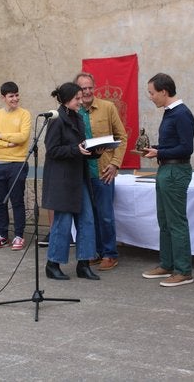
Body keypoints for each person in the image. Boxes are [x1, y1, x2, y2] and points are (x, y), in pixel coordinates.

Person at [141, 73, 194, 287]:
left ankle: (184, 270)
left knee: (176, 222)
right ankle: (167, 264)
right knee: (164, 220)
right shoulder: (170, 112)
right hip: (166, 169)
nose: (151, 97)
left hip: (175, 171)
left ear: (164, 92)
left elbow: (186, 147)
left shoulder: (182, 114)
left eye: (152, 93)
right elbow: (173, 144)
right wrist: (157, 149)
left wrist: (159, 153)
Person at [42, 82, 100, 280]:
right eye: (77, 98)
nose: (81, 100)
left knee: (87, 220)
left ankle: (83, 264)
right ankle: (53, 264)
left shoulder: (79, 118)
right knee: (63, 222)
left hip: (79, 177)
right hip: (62, 180)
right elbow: (52, 150)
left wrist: (94, 152)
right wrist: (76, 150)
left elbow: (81, 148)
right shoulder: (56, 120)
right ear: (67, 100)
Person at [75, 72, 128, 271]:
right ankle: (95, 252)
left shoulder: (108, 107)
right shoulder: (74, 111)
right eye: (83, 88)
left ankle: (109, 254)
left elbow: (122, 137)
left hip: (104, 170)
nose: (87, 92)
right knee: (89, 215)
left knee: (105, 215)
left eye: (90, 87)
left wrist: (115, 164)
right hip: (82, 173)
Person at [0, 81, 31, 251]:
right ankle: (2, 235)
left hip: (17, 163)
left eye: (17, 95)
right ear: (3, 98)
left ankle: (19, 235)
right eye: (11, 96)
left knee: (17, 201)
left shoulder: (24, 114)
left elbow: (23, 137)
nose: (15, 99)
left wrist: (1, 136)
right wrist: (6, 144)